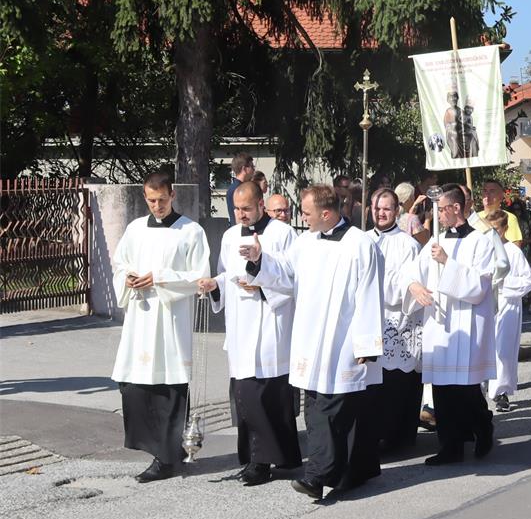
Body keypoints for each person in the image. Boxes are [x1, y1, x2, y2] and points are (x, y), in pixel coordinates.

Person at [240, 184, 385, 500]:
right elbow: (285, 273)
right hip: (310, 339)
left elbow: (371, 293)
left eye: (306, 213)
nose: (301, 218)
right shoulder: (305, 242)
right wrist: (259, 260)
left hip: (344, 341)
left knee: (334, 410)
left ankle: (318, 475)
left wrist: (368, 344)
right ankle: (334, 472)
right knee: (317, 406)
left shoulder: (361, 244)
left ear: (327, 213)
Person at [197, 182, 300, 486]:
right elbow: (227, 273)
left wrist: (262, 280)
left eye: (246, 208)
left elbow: (293, 277)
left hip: (271, 323)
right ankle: (257, 461)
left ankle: (280, 457)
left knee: (273, 395)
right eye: (236, 209)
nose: (241, 214)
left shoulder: (282, 234)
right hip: (242, 325)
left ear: (261, 204)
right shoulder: (229, 236)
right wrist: (215, 284)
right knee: (247, 395)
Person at [110, 170, 210, 482]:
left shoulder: (190, 231)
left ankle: (167, 458)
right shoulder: (136, 229)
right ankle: (160, 450)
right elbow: (120, 263)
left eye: (162, 200)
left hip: (170, 320)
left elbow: (200, 277)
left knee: (169, 385)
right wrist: (127, 278)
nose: (157, 206)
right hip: (140, 318)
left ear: (173, 195)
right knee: (136, 387)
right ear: (145, 197)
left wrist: (160, 278)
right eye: (151, 200)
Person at [400, 184, 498, 465]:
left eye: (442, 209)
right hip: (440, 323)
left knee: (466, 389)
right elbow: (412, 270)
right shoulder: (436, 240)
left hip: (466, 324)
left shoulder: (481, 241)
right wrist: (414, 285)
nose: (439, 215)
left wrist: (448, 261)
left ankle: (483, 427)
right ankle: (450, 446)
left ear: (456, 208)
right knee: (443, 389)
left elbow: (479, 286)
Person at [368, 188, 426, 454]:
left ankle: (398, 437)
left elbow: (407, 284)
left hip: (398, 323)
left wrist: (373, 283)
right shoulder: (362, 240)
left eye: (387, 208)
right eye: (377, 207)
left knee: (396, 384)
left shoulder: (408, 244)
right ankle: (374, 434)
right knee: (372, 384)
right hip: (370, 322)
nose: (381, 213)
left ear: (397, 211)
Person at [485, 210, 531, 412]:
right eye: (489, 230)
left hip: (507, 306)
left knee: (503, 350)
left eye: (496, 229)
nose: (493, 234)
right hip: (486, 305)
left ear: (505, 229)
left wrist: (503, 284)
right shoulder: (482, 250)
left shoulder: (513, 252)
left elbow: (529, 281)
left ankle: (501, 392)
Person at [471, 179, 523, 246]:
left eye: (492, 191)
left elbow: (515, 245)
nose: (487, 195)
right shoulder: (475, 218)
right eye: (485, 191)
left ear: (501, 196)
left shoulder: (509, 217)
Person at [226, 152, 255, 223]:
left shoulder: (236, 187)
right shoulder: (238, 189)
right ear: (244, 169)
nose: (254, 170)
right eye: (252, 167)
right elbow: (238, 214)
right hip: (241, 230)